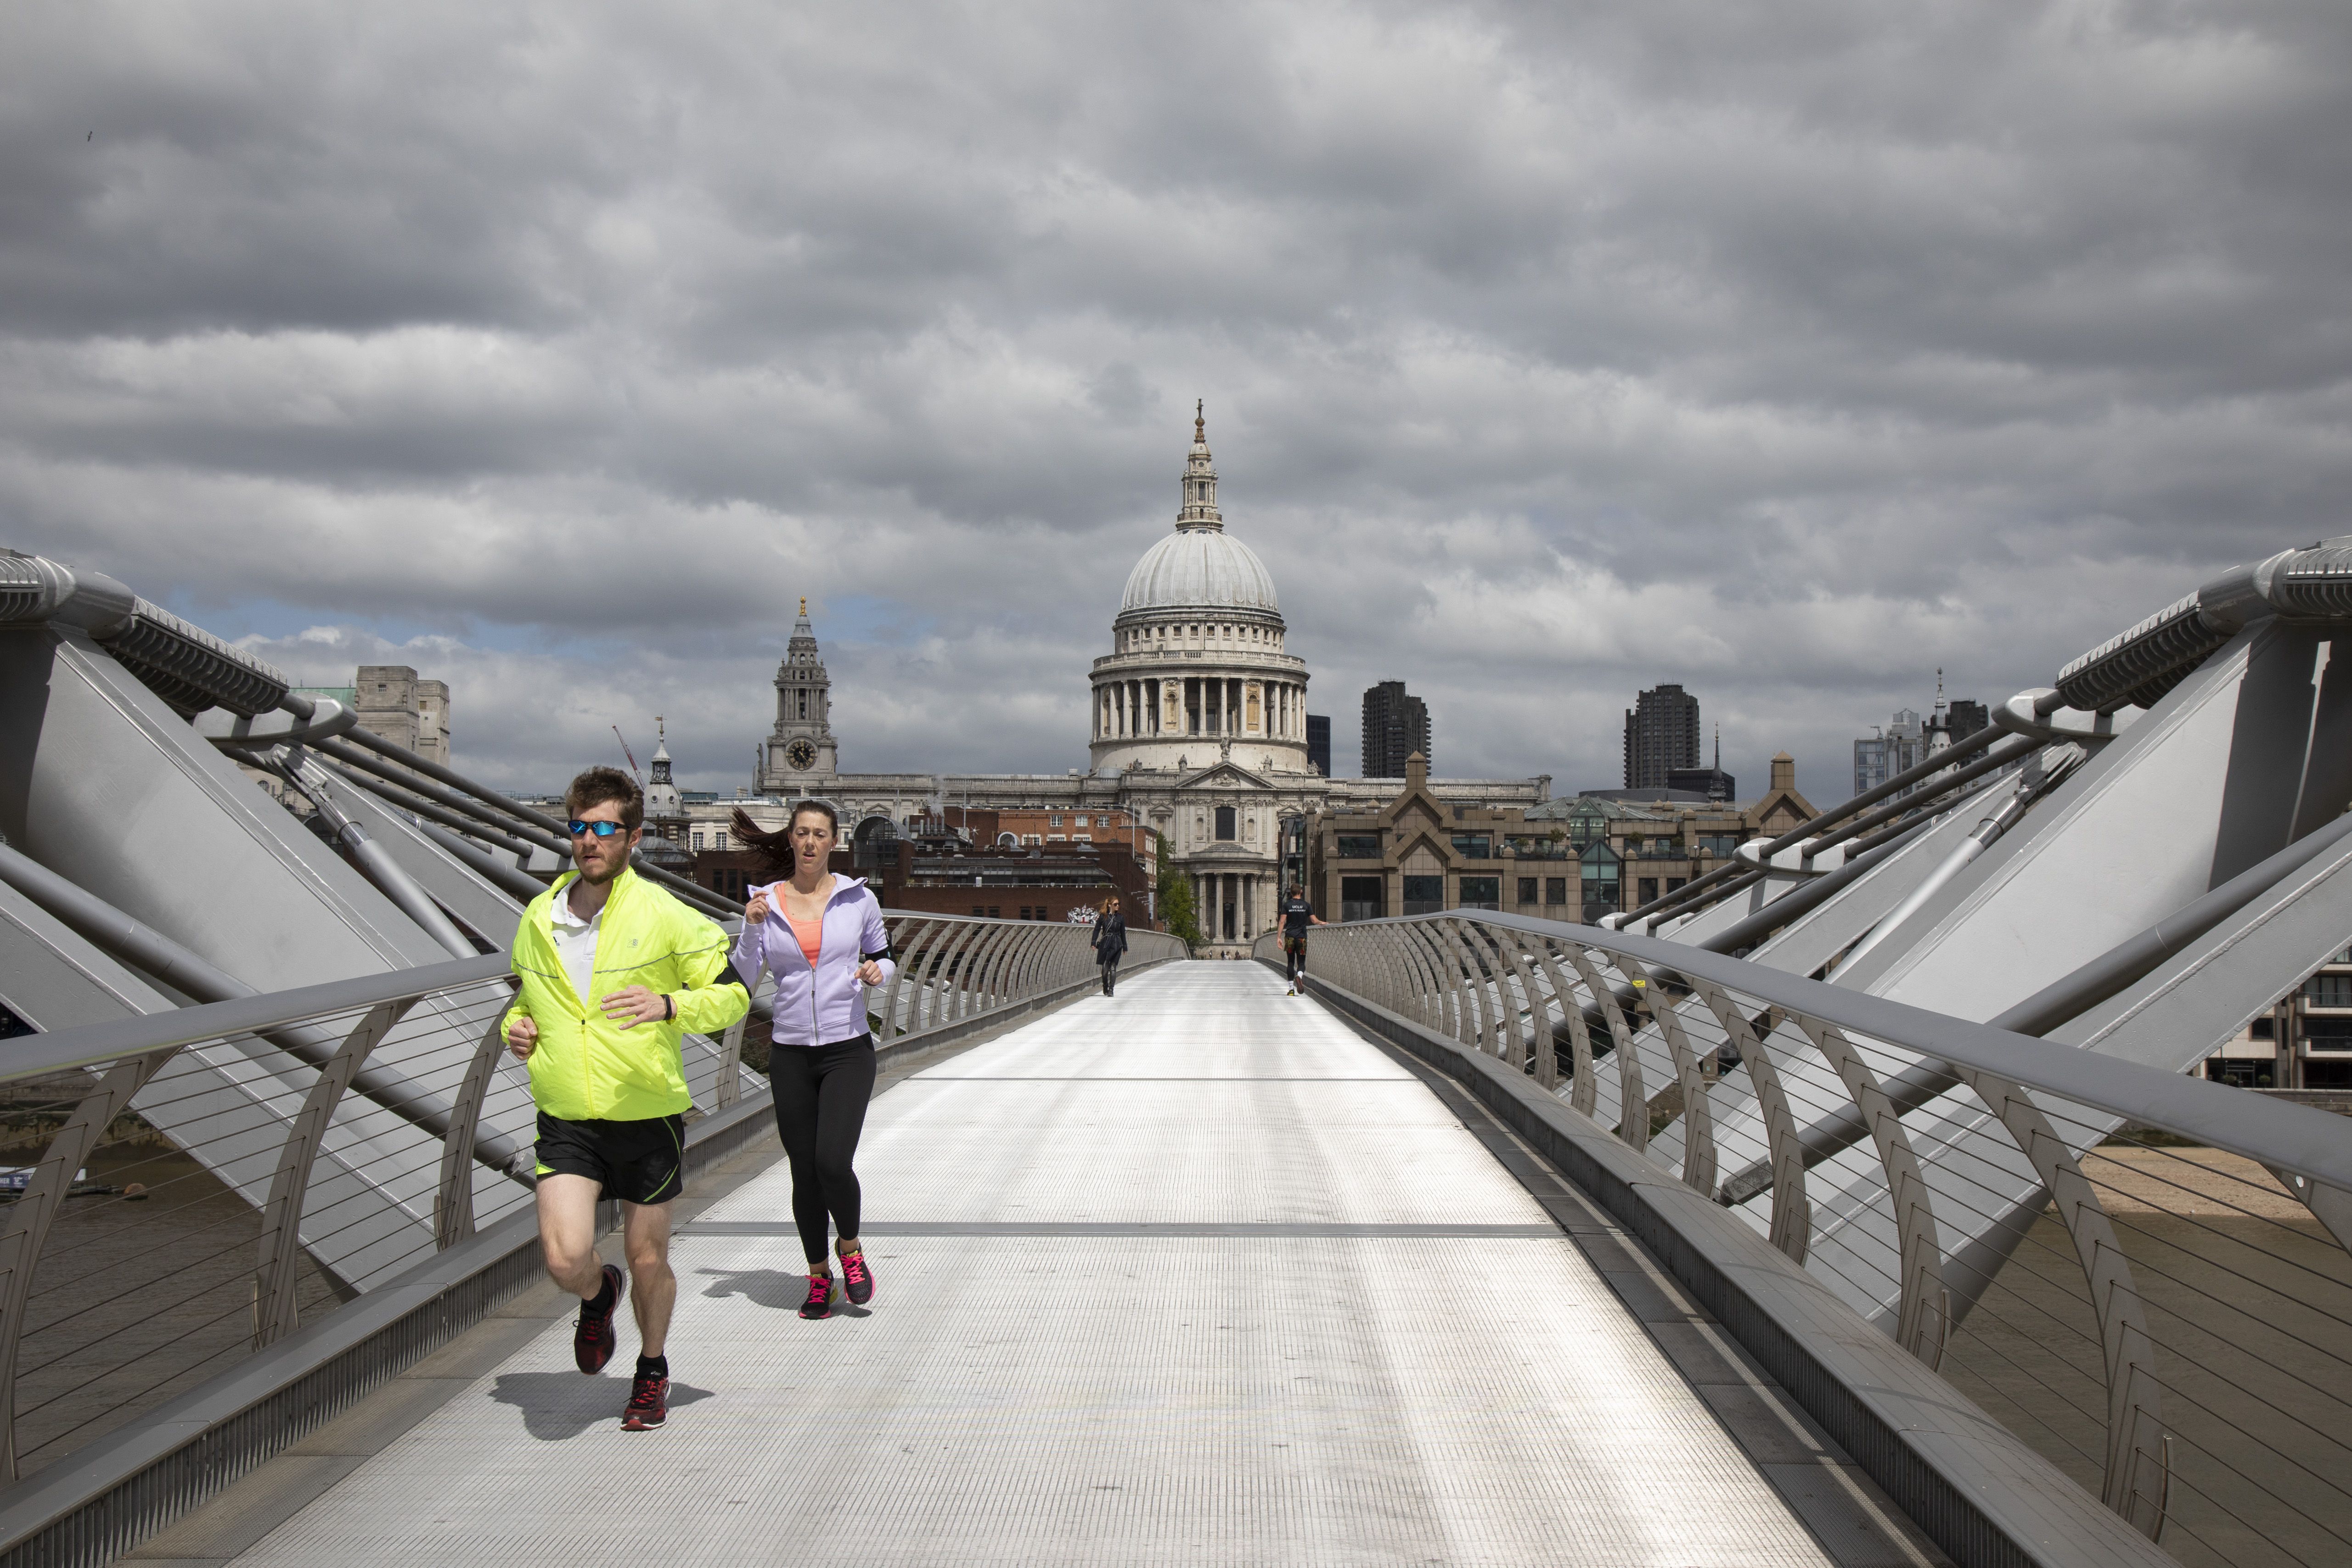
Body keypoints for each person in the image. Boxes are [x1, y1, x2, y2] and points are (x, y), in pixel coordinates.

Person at [505, 767, 748, 1432]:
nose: (589, 840)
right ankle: (596, 1291)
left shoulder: (668, 915)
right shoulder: (538, 916)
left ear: (632, 838)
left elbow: (732, 996)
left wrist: (668, 1002)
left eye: (604, 828)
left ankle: (650, 1367)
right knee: (562, 1258)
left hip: (645, 1112)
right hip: (566, 1114)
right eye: (579, 826)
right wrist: (516, 1029)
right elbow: (526, 999)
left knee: (648, 1257)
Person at [731, 800, 895, 1320]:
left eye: (819, 834)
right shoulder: (764, 902)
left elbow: (885, 954)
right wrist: (752, 926)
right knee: (804, 1173)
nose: (808, 843)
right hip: (791, 1051)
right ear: (791, 839)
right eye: (801, 833)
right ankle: (818, 1275)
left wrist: (878, 973)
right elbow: (742, 975)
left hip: (847, 1049)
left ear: (832, 842)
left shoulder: (858, 898)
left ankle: (850, 1249)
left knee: (832, 1162)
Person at [1278, 883, 1324, 995]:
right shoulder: (1306, 905)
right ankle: (1299, 976)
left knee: (1290, 962)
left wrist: (1278, 937)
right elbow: (1314, 921)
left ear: (1291, 893)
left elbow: (1282, 922)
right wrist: (1322, 923)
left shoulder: (1287, 905)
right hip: (1301, 939)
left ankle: (1291, 990)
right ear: (1301, 892)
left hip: (1290, 938)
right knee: (1301, 963)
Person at [1092, 895, 1127, 996]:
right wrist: (1093, 942)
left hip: (1117, 944)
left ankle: (1111, 990)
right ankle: (1105, 985)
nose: (1118, 906)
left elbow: (1123, 933)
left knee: (1113, 968)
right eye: (1115, 904)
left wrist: (1125, 947)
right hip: (1105, 944)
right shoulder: (1103, 917)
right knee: (1105, 970)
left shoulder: (1120, 918)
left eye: (1118, 904)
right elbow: (1097, 930)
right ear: (1110, 905)